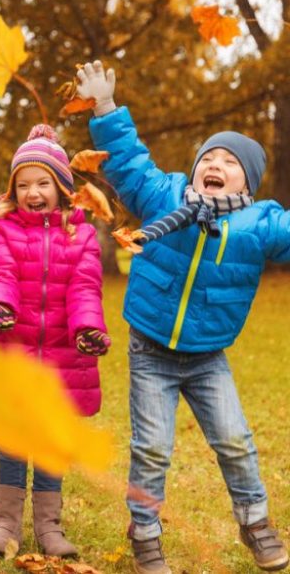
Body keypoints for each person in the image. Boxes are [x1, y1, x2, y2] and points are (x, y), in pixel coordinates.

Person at [77, 60, 290, 574]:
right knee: (152, 449)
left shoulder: (260, 223)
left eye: (229, 160)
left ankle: (256, 523)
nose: (215, 163)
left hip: (208, 357)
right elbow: (127, 163)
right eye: (209, 157)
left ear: (250, 180)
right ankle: (146, 534)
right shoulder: (166, 196)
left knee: (236, 442)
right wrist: (105, 108)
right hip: (151, 351)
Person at [0, 124, 109, 559]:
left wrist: (88, 328)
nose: (34, 192)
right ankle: (6, 524)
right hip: (15, 347)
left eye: (43, 182)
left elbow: (85, 286)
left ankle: (49, 527)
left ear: (62, 188)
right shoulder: (4, 231)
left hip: (62, 355)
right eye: (24, 184)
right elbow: (1, 275)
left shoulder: (81, 235)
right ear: (14, 191)